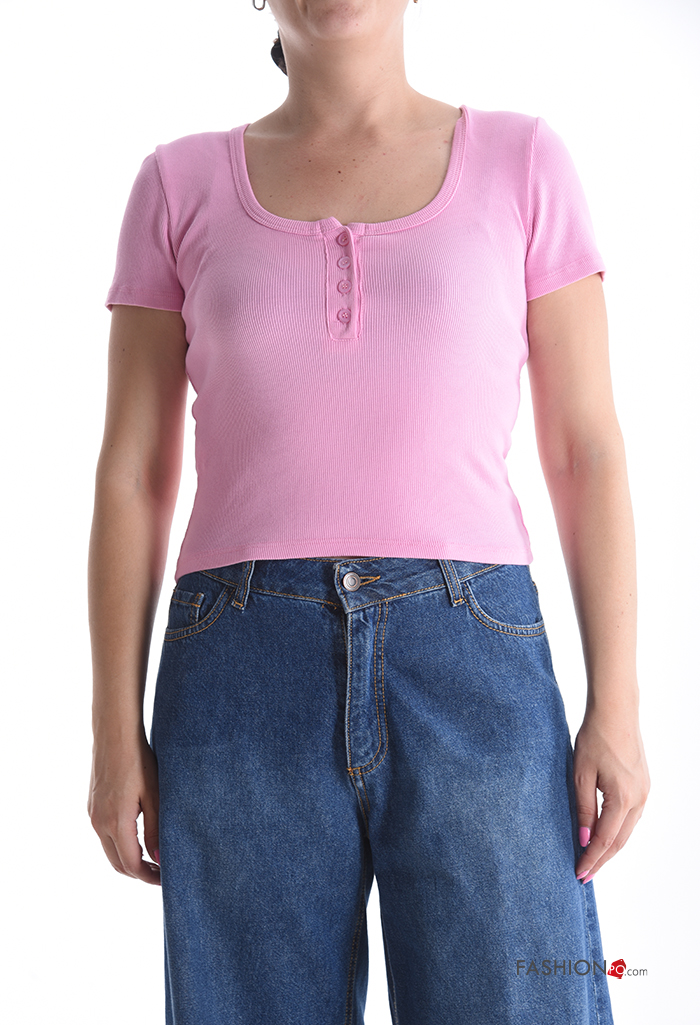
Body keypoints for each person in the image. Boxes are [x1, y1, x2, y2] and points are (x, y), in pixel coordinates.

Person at [87, 1, 650, 1022]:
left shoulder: (524, 163)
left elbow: (588, 448)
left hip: (474, 661)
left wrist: (618, 702)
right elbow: (132, 472)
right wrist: (112, 728)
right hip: (239, 669)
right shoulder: (177, 183)